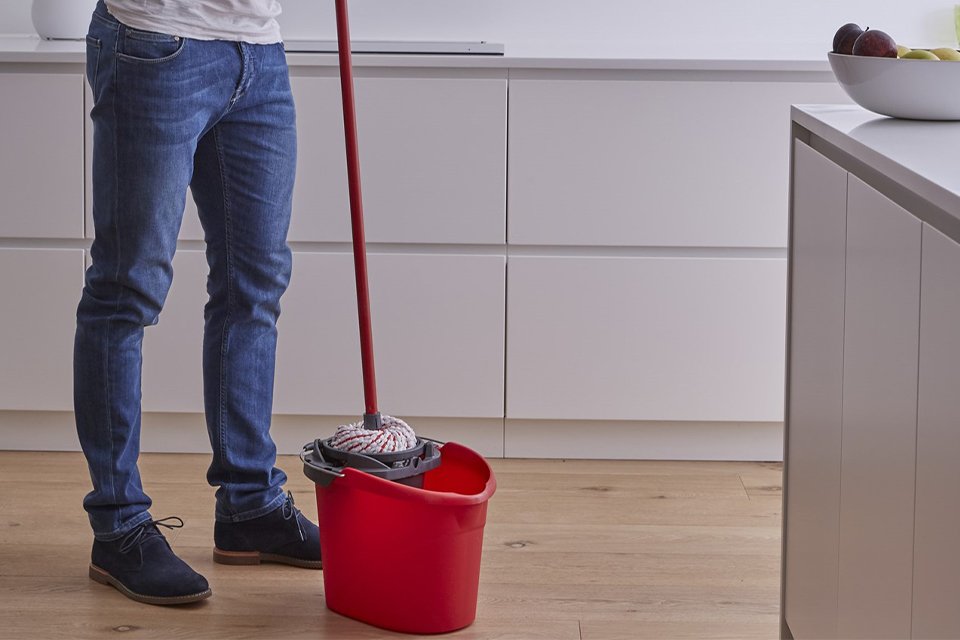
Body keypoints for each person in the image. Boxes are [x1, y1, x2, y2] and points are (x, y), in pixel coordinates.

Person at [75, 0, 320, 606]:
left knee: (255, 284)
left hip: (259, 50)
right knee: (127, 290)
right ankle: (119, 524)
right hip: (155, 43)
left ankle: (250, 505)